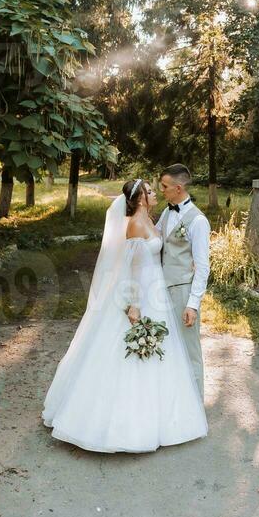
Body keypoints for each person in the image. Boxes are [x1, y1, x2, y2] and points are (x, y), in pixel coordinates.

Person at [41, 178, 208, 453]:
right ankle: (124, 423)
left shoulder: (155, 219)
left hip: (157, 292)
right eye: (151, 191)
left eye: (158, 189)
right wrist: (134, 303)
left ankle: (166, 416)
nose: (156, 193)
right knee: (128, 356)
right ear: (140, 198)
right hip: (143, 293)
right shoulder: (134, 224)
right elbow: (130, 268)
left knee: (163, 354)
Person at [155, 164, 211, 400]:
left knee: (189, 351)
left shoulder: (198, 221)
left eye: (165, 187)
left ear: (178, 188)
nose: (161, 191)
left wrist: (193, 304)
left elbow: (203, 267)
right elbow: (155, 236)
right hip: (161, 290)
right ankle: (173, 400)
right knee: (167, 346)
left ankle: (196, 403)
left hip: (182, 292)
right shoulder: (167, 212)